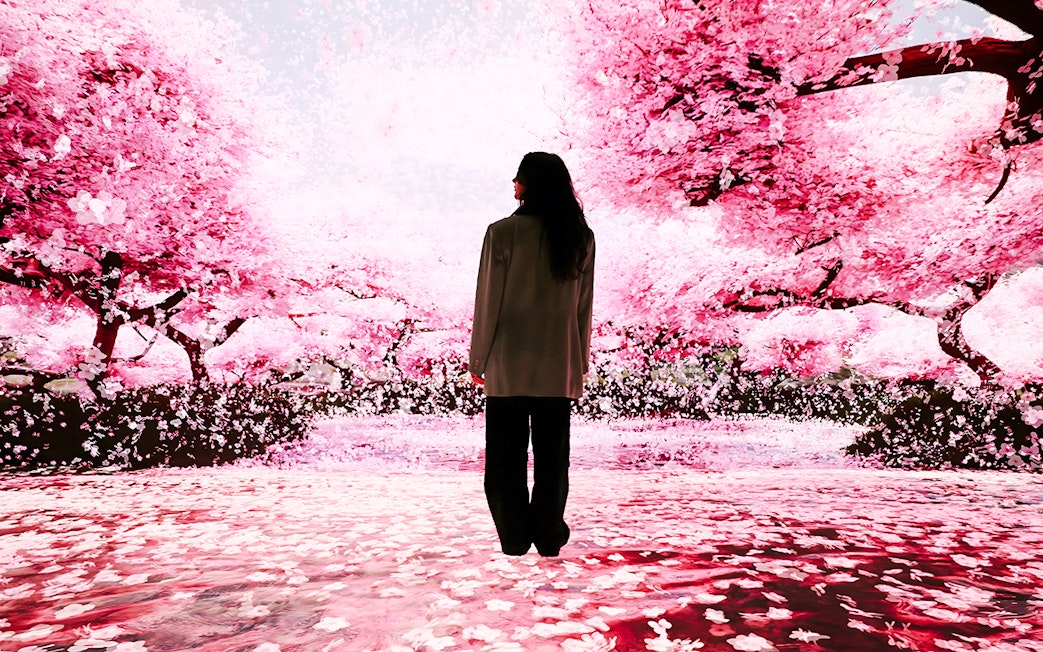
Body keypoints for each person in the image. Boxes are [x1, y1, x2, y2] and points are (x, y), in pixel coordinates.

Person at [469, 152, 595, 557]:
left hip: (508, 363)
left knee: (505, 459)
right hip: (558, 366)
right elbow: (583, 308)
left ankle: (514, 537)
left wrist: (478, 360)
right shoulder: (579, 237)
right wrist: (580, 364)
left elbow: (488, 301)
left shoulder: (502, 233)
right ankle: (547, 533)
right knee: (553, 459)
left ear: (529, 184)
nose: (513, 183)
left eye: (518, 177)